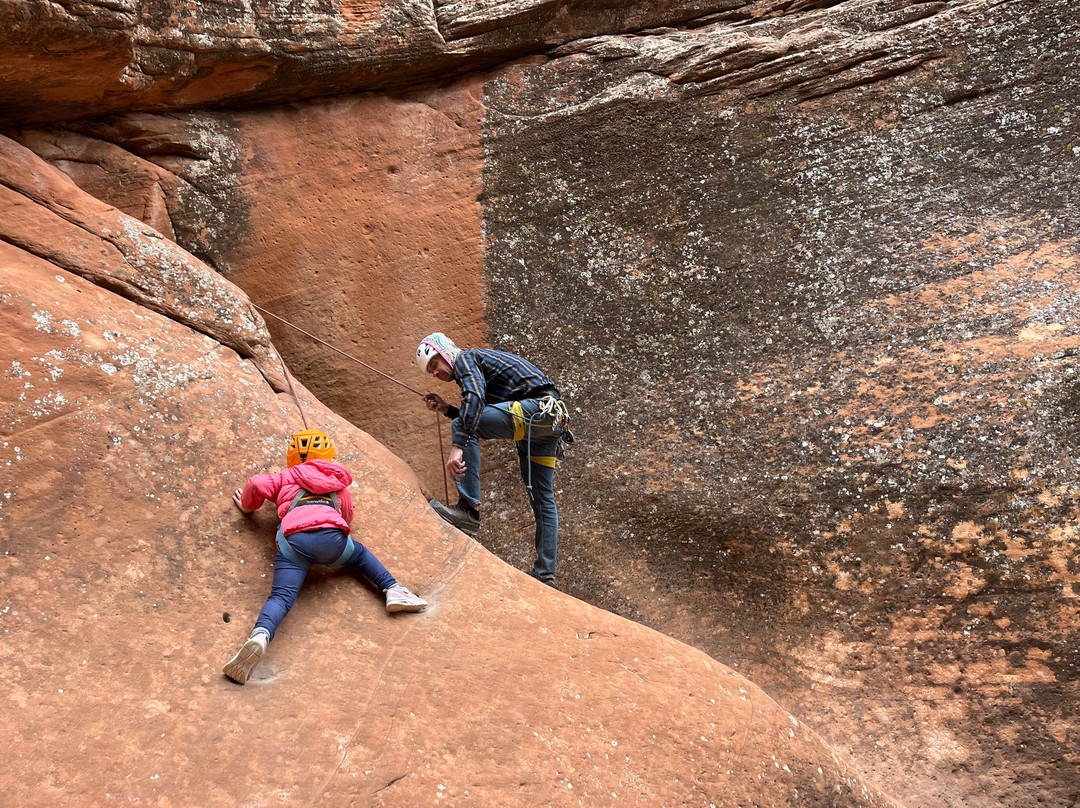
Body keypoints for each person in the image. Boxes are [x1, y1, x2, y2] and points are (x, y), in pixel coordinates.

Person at [223, 429, 426, 685]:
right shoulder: (338, 485)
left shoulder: (285, 477)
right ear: (328, 456)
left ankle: (260, 636)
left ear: (293, 457)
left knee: (281, 597)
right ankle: (393, 590)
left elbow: (256, 484)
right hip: (332, 539)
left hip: (293, 541)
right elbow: (347, 515)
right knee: (359, 554)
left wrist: (248, 507)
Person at [416, 332, 571, 587]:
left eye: (435, 364)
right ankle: (545, 574)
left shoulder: (466, 358)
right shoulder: (474, 367)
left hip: (532, 410)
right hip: (547, 420)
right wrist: (447, 409)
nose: (435, 373)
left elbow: (474, 402)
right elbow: (481, 413)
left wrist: (457, 446)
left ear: (446, 352)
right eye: (430, 372)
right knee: (542, 498)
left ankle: (468, 510)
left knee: (462, 424)